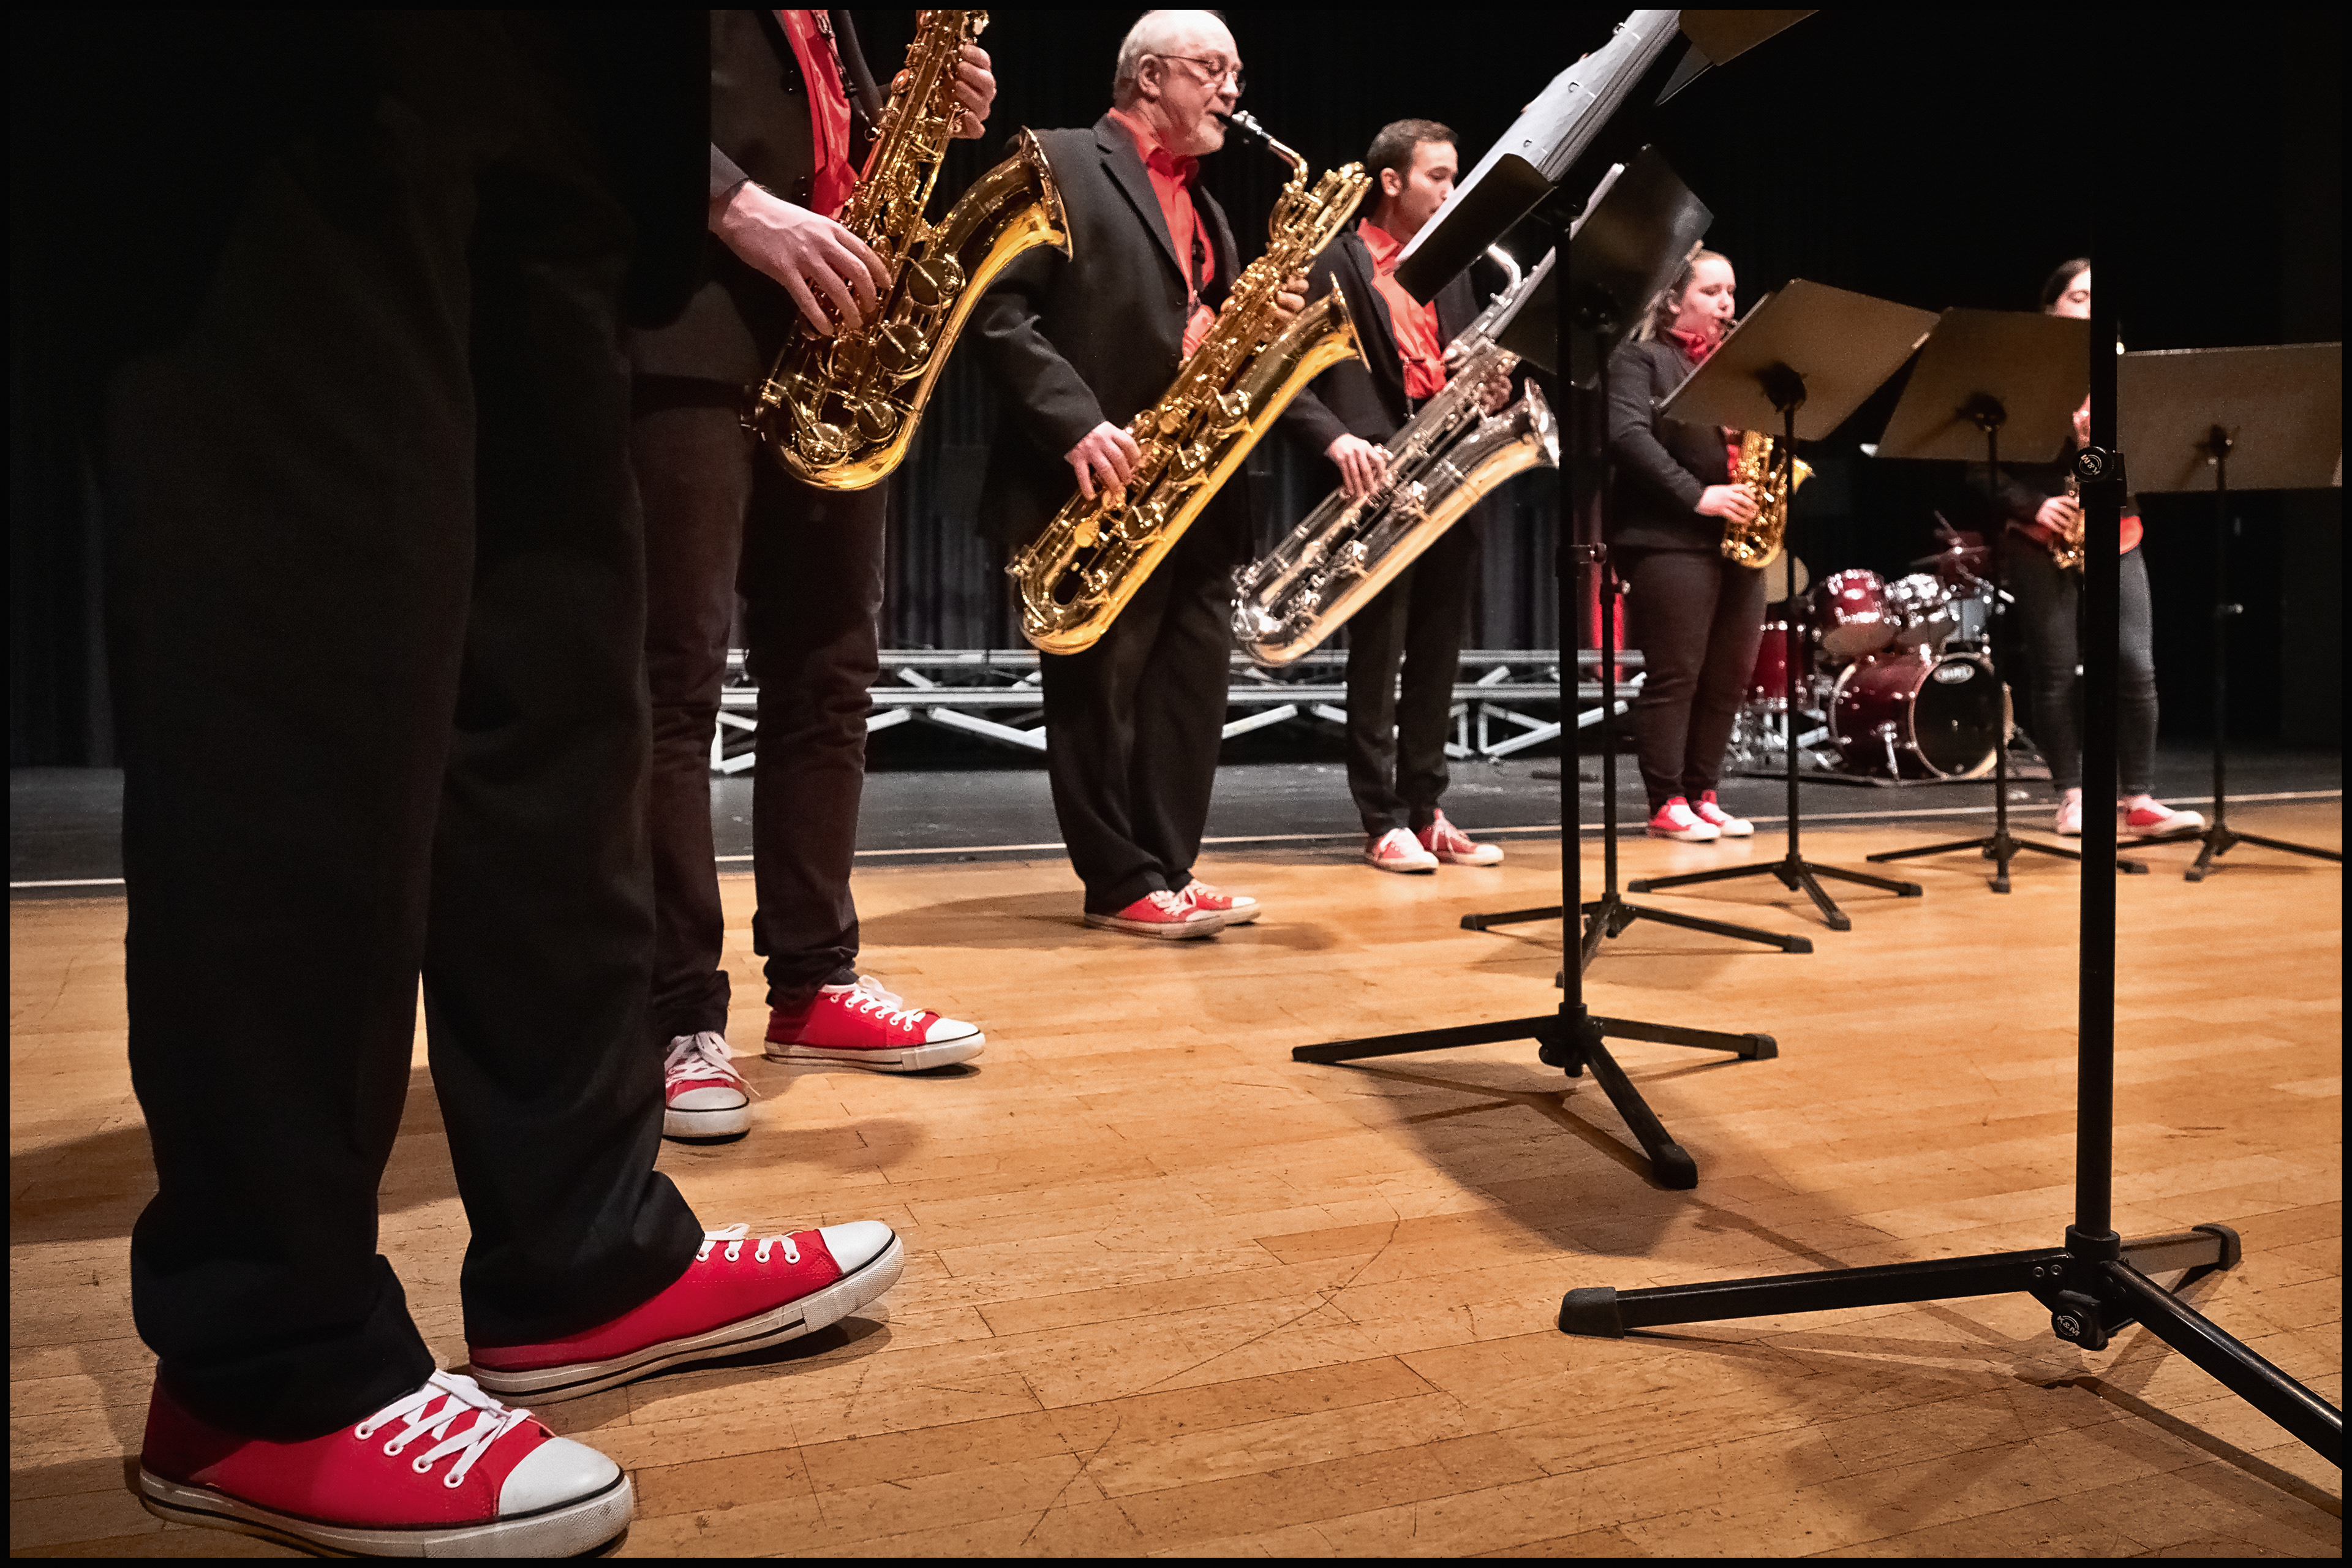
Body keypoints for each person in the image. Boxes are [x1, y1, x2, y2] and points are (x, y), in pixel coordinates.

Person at [55, 14, 905, 1554]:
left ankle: (581, 1255)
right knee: (310, 680)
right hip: (292, 75)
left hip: (566, 102)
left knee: (555, 707)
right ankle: (268, 1359)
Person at [635, 11, 997, 1145]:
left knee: (831, 673)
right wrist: (729, 201)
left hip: (830, 344)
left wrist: (911, 120)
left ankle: (814, 982)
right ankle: (673, 1018)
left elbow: (827, 148)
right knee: (671, 684)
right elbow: (578, 84)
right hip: (684, 323)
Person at [971, 10, 1300, 939]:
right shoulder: (1060, 160)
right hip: (1094, 483)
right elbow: (996, 310)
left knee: (1187, 691)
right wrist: (1075, 421)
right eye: (1212, 69)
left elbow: (1192, 328)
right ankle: (1117, 880)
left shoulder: (1212, 204)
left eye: (1237, 71)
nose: (1233, 89)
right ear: (1149, 76)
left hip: (1194, 491)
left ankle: (1170, 868)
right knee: (1100, 696)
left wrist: (1251, 324)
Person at [1278, 119, 1517, 875]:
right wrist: (1336, 439)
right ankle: (1379, 817)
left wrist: (1492, 389)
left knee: (1440, 651)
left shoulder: (1455, 266)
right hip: (1371, 478)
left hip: (1446, 474)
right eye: (1438, 178)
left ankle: (1427, 807)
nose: (1452, 192)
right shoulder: (1331, 261)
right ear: (1391, 182)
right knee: (1378, 655)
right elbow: (1280, 373)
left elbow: (1460, 366)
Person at [1990, 259, 2203, 839]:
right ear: (2051, 310)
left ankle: (2139, 797)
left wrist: (2093, 452)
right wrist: (2032, 506)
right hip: (2040, 537)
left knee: (2137, 667)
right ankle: (2072, 796)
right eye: (2079, 297)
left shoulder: (2121, 377)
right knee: (2056, 673)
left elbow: (2136, 476)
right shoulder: (2018, 375)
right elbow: (1978, 469)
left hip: (2114, 532)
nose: (2091, 308)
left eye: (2098, 299)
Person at [1604, 249, 1765, 842]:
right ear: (1673, 299)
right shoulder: (1641, 358)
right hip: (1670, 536)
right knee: (1679, 674)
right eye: (1711, 291)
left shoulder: (1740, 368)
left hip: (1739, 538)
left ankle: (1703, 792)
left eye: (1731, 291)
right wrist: (1699, 495)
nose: (1727, 304)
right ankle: (1666, 799)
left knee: (1728, 677)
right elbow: (1625, 435)